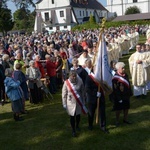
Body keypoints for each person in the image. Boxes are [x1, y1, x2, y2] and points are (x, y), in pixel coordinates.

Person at [62, 70, 87, 137]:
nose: (74, 78)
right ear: (70, 76)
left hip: (79, 101)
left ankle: (77, 125)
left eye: (75, 76)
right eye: (73, 76)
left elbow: (83, 91)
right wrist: (64, 103)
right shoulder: (66, 82)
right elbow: (64, 94)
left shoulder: (80, 81)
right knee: (72, 116)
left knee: (78, 115)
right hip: (70, 102)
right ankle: (73, 130)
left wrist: (84, 101)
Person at [112, 62, 132, 126]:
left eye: (124, 68)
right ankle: (117, 120)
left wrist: (130, 92)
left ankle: (125, 119)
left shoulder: (125, 75)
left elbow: (128, 84)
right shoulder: (115, 78)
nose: (124, 69)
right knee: (118, 109)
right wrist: (119, 98)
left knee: (126, 108)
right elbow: (115, 89)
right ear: (118, 69)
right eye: (122, 68)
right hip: (119, 96)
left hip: (126, 94)